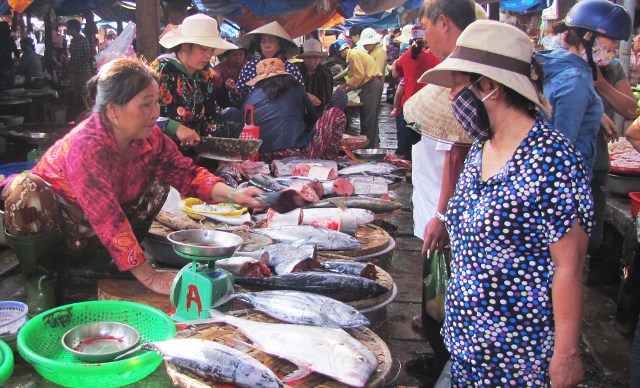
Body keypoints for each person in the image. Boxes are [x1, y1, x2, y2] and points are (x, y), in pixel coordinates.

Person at [1, 57, 265, 314]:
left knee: (160, 184)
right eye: (145, 105)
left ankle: (112, 263)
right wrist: (149, 277)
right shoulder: (87, 144)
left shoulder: (151, 138)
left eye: (157, 103)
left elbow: (185, 173)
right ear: (114, 111)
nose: (155, 114)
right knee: (26, 189)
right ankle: (40, 280)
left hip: (94, 232)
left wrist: (234, 195)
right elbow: (107, 217)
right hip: (63, 223)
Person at [421, 19, 593, 386]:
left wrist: (566, 356)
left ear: (489, 87)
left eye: (458, 86)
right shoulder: (481, 148)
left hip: (520, 359)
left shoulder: (552, 160)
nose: (453, 98)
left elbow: (570, 266)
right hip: (466, 346)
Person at [401, 0, 479, 380]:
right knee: (437, 286)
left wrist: (443, 215)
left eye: (425, 25)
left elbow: (457, 155)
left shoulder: (466, 76)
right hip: (436, 204)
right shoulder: (452, 68)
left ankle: (445, 360)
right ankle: (443, 356)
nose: (423, 33)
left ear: (443, 22)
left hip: (443, 210)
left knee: (445, 293)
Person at [535, 0, 632, 257]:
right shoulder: (576, 80)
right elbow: (561, 148)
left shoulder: (556, 66)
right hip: (567, 186)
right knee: (572, 254)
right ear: (588, 37)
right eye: (610, 41)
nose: (613, 48)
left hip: (556, 185)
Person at [153, 14, 239, 150]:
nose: (208, 56)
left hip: (197, 145)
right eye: (203, 49)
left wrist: (225, 151)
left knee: (233, 115)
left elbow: (211, 114)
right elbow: (142, 118)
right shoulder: (162, 68)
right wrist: (175, 127)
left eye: (211, 50)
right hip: (165, 147)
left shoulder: (204, 73)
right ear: (186, 47)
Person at [243, 58, 344, 163]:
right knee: (335, 112)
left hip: (263, 157)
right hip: (296, 156)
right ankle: (328, 160)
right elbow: (314, 118)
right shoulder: (295, 87)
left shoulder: (251, 97)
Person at [391, 26, 439, 159]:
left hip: (408, 103)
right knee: (421, 140)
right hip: (427, 104)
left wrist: (395, 65)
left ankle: (407, 164)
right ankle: (415, 167)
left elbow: (400, 74)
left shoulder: (406, 55)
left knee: (408, 137)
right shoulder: (433, 57)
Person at [231, 21, 304, 103]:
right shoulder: (249, 67)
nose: (267, 46)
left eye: (271, 41)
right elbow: (239, 98)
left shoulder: (291, 69)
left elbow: (300, 99)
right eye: (263, 42)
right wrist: (234, 91)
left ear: (281, 44)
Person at [334, 42, 383, 148]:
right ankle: (371, 144)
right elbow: (357, 76)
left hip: (372, 84)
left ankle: (368, 146)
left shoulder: (353, 55)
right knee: (368, 115)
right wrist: (348, 88)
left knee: (369, 116)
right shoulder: (353, 55)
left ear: (340, 52)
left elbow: (359, 75)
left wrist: (344, 86)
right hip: (370, 84)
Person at [64, 19, 94, 122]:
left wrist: (76, 66)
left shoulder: (83, 40)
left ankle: (89, 117)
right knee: (77, 95)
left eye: (68, 28)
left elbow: (87, 55)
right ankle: (78, 117)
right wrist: (69, 69)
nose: (67, 30)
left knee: (86, 95)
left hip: (84, 72)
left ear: (73, 29)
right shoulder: (73, 41)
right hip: (75, 73)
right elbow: (73, 57)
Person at [296, 38, 333, 114]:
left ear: (320, 58)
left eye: (315, 57)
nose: (312, 61)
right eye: (308, 57)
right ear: (303, 58)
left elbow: (327, 98)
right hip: (298, 112)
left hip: (318, 113)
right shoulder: (297, 71)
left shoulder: (325, 73)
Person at [212, 39, 247, 109]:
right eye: (234, 55)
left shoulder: (248, 67)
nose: (238, 57)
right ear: (227, 56)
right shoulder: (218, 70)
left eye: (241, 54)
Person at [0, 21, 19, 90]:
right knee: (10, 90)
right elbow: (17, 53)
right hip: (8, 66)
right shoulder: (10, 39)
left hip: (1, 67)